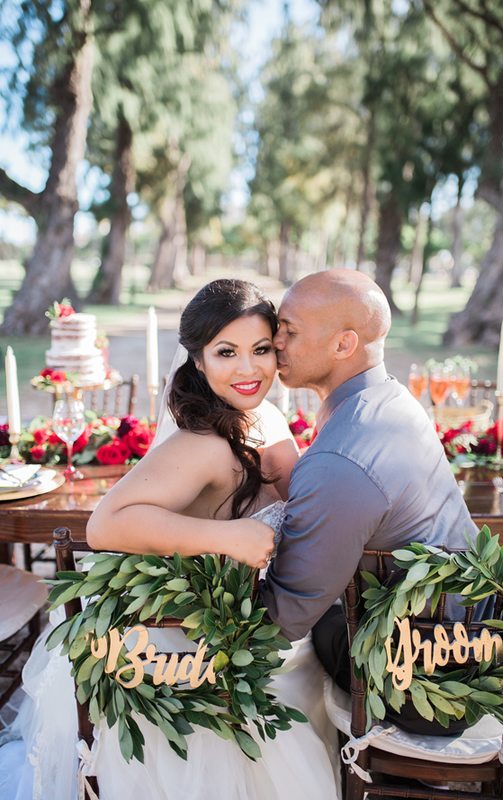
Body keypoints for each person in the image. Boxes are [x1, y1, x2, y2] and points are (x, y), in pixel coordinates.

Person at [0, 279, 340, 800]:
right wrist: (226, 537)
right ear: (199, 362)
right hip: (180, 639)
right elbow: (105, 525)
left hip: (245, 615)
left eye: (261, 350)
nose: (248, 369)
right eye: (226, 352)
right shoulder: (201, 442)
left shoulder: (264, 417)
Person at [255, 268, 479, 734]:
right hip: (470, 632)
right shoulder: (389, 398)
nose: (275, 340)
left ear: (344, 344)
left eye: (289, 330)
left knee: (296, 648)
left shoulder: (343, 454)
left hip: (428, 680)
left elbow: (286, 617)